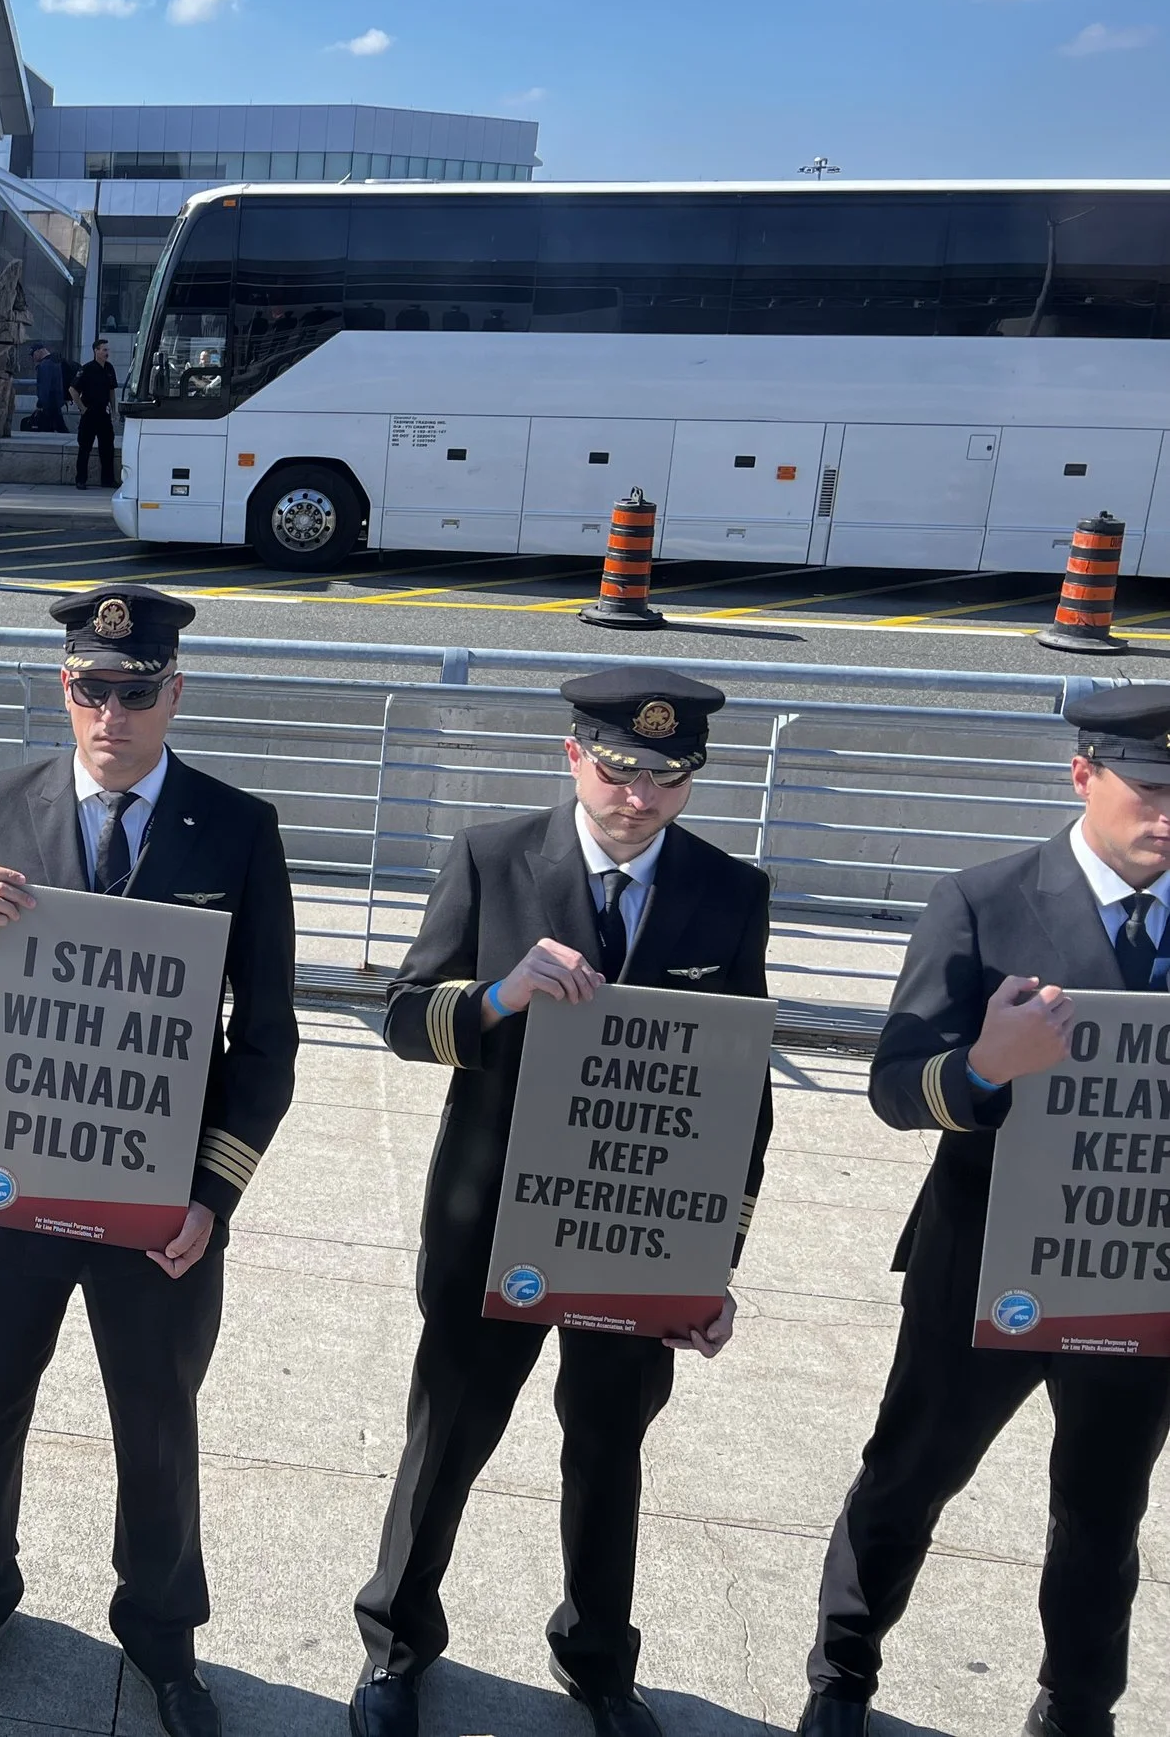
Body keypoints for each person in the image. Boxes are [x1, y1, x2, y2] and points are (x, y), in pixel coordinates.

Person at [0, 585, 297, 1737]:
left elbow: (263, 1041)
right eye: (89, 688)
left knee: (157, 1419)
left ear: (173, 692)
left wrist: (213, 1193)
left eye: (133, 691)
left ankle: (162, 1633)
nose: (109, 714)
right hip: (6, 1178)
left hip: (156, 1194)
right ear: (60, 685)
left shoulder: (237, 828)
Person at [353, 669, 774, 1737]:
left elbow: (741, 1094)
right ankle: (396, 1644)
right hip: (488, 1220)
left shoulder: (729, 893)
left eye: (667, 776)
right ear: (573, 755)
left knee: (607, 1449)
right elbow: (403, 1018)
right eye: (620, 768)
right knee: (446, 1436)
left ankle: (596, 1662)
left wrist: (712, 1260)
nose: (638, 797)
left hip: (635, 1234)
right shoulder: (493, 860)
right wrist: (498, 996)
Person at [795, 685, 1170, 1737]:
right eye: (1148, 789)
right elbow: (893, 1083)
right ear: (1081, 775)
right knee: (911, 1471)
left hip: (1136, 1260)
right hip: (982, 1252)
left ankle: (1076, 1706)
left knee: (1103, 1507)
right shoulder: (982, 899)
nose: (1168, 816)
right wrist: (980, 1072)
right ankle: (841, 1673)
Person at [72, 339, 120, 491]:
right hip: (90, 414)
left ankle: (108, 480)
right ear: (96, 351)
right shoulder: (86, 369)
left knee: (107, 448)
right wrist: (82, 408)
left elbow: (112, 391)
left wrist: (114, 409)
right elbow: (73, 390)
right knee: (85, 447)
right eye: (104, 350)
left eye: (107, 350)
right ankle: (80, 480)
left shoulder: (109, 368)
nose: (107, 353)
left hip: (104, 414)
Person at [28, 343, 67, 432]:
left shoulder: (45, 365)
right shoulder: (56, 361)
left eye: (33, 354)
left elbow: (44, 386)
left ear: (39, 351)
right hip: (56, 400)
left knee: (49, 429)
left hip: (49, 403)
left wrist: (40, 403)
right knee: (59, 426)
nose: (33, 358)